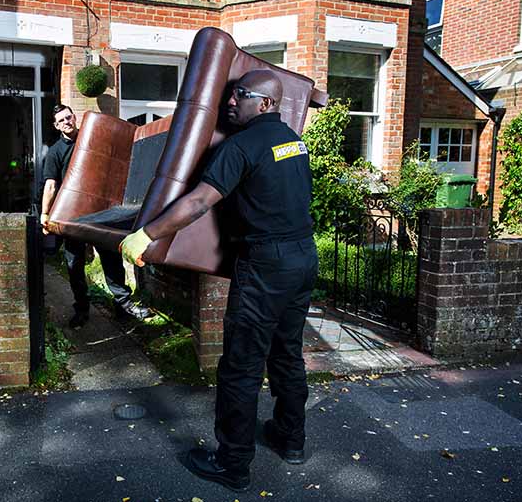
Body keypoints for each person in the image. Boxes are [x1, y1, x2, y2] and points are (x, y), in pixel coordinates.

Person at [120, 71, 318, 492]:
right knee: (286, 354)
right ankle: (291, 438)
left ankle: (232, 463)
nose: (230, 102)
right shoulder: (294, 143)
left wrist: (146, 234)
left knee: (241, 367)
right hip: (302, 259)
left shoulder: (241, 146)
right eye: (230, 95)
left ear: (264, 103)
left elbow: (197, 201)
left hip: (265, 264)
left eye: (240, 96)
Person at [41, 104, 153, 329]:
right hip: (73, 218)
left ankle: (123, 307)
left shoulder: (91, 139)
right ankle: (81, 309)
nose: (67, 122)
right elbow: (51, 184)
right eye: (61, 120)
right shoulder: (55, 152)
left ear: (75, 117)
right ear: (56, 126)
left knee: (112, 262)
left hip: (101, 214)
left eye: (69, 117)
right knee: (75, 266)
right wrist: (45, 213)